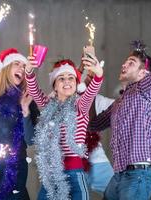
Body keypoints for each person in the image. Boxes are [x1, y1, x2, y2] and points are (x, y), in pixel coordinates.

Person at [88, 28, 151, 200]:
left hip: (138, 174)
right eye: (126, 61)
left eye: (131, 62)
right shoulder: (118, 103)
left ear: (142, 73)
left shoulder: (146, 90)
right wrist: (90, 88)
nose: (124, 64)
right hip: (118, 176)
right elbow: (92, 124)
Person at [25, 53, 104, 200]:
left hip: (74, 174)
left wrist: (98, 75)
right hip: (52, 176)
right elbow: (34, 90)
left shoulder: (80, 105)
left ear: (76, 83)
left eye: (71, 78)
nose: (67, 82)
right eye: (61, 78)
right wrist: (29, 72)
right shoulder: (48, 106)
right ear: (54, 85)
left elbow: (92, 91)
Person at [0, 48, 33, 200]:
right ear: (5, 68)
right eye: (17, 64)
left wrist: (25, 110)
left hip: (17, 166)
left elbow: (30, 140)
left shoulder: (27, 97)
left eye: (24, 66)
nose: (22, 69)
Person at [77, 46, 114, 196]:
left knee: (115, 193)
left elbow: (121, 107)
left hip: (96, 160)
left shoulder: (99, 101)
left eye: (92, 73)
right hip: (69, 163)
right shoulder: (64, 97)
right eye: (87, 73)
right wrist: (82, 67)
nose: (89, 76)